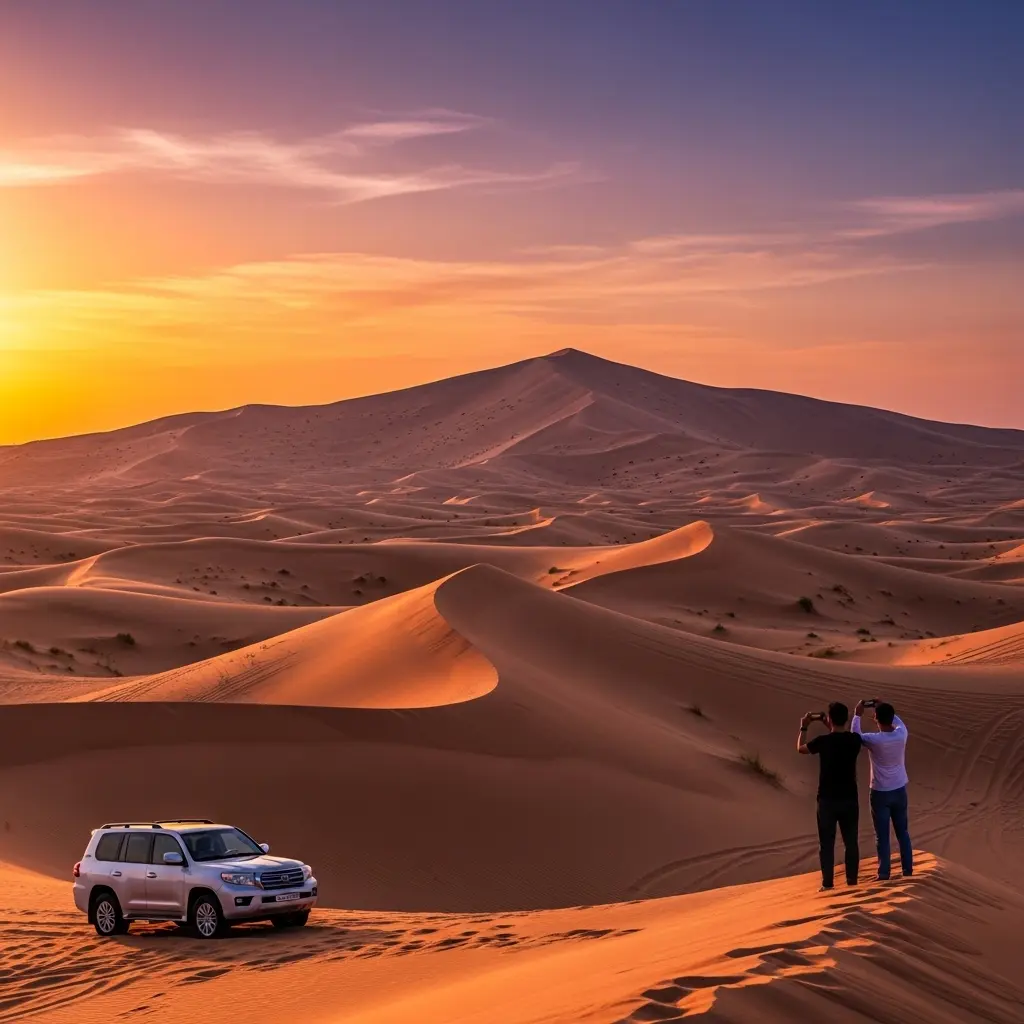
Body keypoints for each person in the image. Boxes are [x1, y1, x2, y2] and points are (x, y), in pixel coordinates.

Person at [797, 701, 863, 890]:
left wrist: (804, 725)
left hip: (827, 800)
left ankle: (827, 884)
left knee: (826, 843)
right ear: (847, 718)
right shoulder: (854, 741)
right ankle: (852, 883)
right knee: (851, 842)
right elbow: (842, 734)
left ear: (830, 719)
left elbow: (800, 747)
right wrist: (832, 724)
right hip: (849, 799)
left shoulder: (823, 742)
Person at [853, 699, 912, 881]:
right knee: (903, 832)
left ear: (876, 718)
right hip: (899, 789)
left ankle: (884, 873)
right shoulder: (901, 734)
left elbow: (855, 737)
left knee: (882, 835)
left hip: (879, 792)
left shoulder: (873, 739)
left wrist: (857, 714)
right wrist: (883, 705)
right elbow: (898, 721)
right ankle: (907, 870)